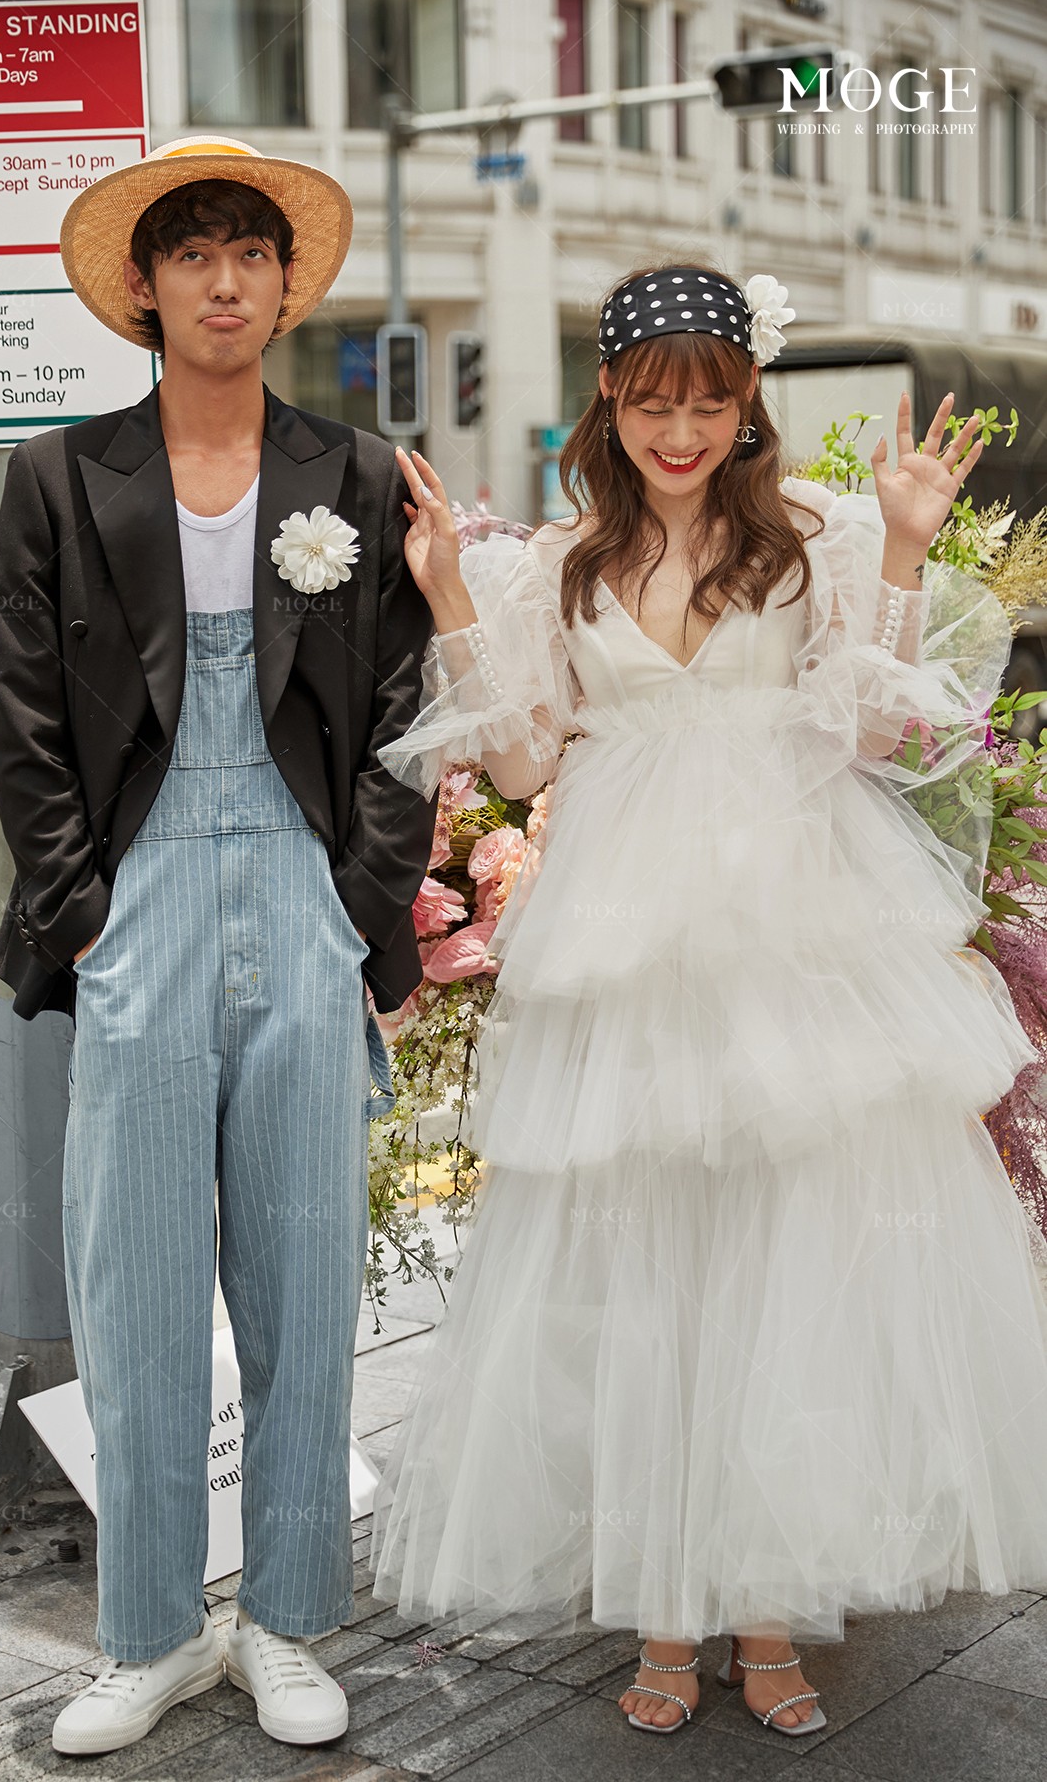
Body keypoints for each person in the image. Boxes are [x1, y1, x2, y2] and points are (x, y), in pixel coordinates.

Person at [367, 259, 1047, 1738]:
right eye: (653, 401)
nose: (680, 432)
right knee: (645, 1269)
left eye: (710, 401)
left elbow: (874, 735)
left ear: (748, 403)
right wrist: (447, 593)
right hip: (625, 942)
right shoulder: (553, 563)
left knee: (783, 1265)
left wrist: (908, 550)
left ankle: (768, 1612)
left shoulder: (816, 536)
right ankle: (666, 1612)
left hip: (793, 928)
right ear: (608, 401)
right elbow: (528, 760)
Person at [0, 135, 437, 1755]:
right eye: (194, 254)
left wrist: (358, 905)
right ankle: (151, 1634)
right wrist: (88, 920)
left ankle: (293, 1619)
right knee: (138, 1283)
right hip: (142, 900)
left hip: (304, 894)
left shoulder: (356, 473)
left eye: (251, 252)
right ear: (145, 286)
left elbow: (407, 707)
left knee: (307, 1278)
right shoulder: (59, 474)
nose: (225, 281)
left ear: (287, 285)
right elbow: (25, 716)